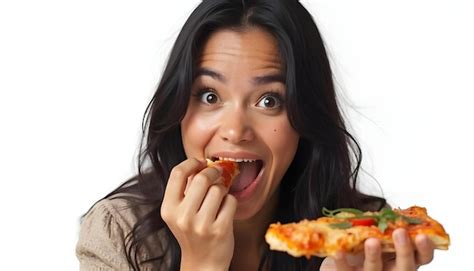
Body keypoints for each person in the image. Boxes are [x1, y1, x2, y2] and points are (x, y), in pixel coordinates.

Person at [76, 0, 436, 270]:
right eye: (209, 96)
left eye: (269, 100)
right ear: (178, 109)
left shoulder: (364, 235)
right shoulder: (118, 234)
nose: (235, 131)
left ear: (305, 116)